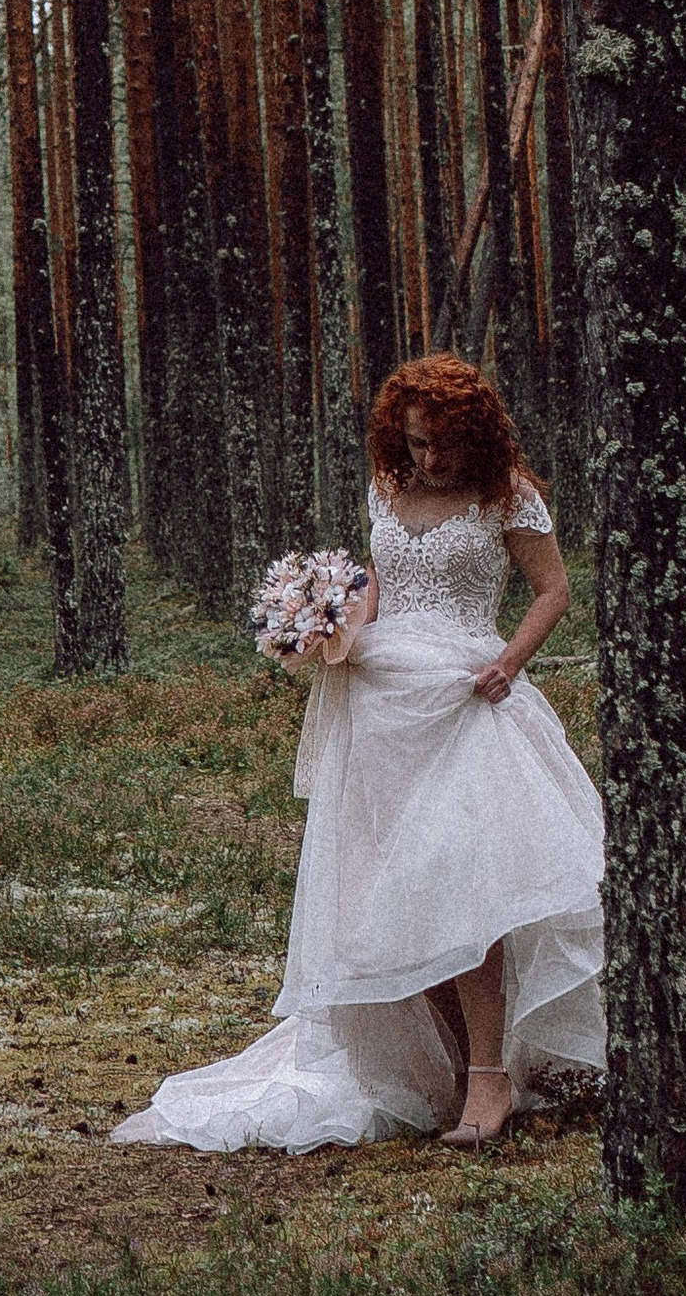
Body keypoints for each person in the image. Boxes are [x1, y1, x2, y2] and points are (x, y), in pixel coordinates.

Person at [115, 353, 604, 1154]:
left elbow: (554, 591)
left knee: (465, 884)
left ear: (472, 434)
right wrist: (330, 625)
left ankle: (492, 1076)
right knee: (398, 891)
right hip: (377, 705)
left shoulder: (507, 496)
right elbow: (384, 578)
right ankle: (447, 1065)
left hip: (463, 700)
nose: (428, 460)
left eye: (441, 444)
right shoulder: (389, 486)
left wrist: (509, 662)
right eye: (414, 443)